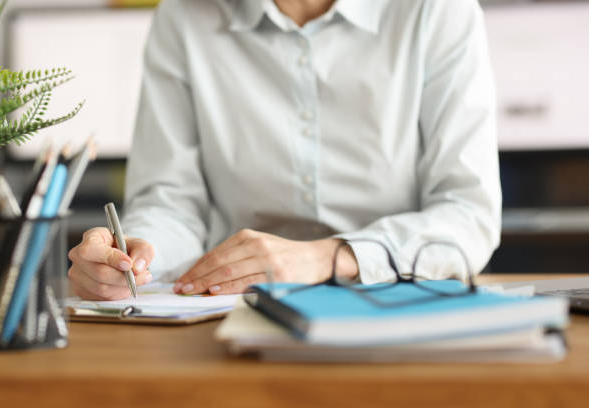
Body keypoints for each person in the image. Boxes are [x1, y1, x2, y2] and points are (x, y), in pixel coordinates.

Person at [68, 0, 501, 301]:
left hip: (400, 303)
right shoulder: (184, 16)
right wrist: (135, 257)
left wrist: (328, 257)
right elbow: (171, 202)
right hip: (235, 307)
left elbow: (469, 213)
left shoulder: (438, 11)